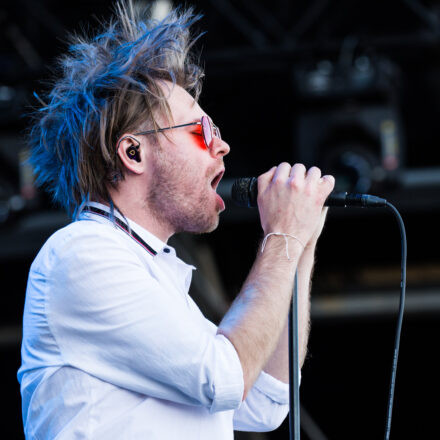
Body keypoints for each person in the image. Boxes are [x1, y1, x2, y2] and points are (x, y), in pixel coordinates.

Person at [17, 2, 335, 439]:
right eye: (201, 130)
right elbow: (225, 377)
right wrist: (282, 236)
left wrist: (300, 242)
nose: (221, 147)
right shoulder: (82, 254)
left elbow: (266, 401)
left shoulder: (157, 279)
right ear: (133, 152)